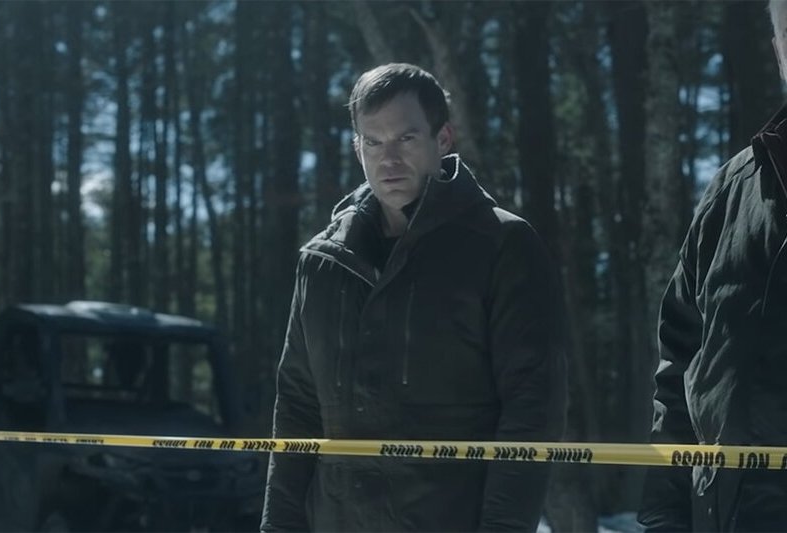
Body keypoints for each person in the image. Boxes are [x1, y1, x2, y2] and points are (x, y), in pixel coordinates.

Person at [260, 63, 566, 532]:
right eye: (373, 142)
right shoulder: (321, 262)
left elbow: (532, 407)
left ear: (442, 139)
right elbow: (297, 407)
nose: (389, 159)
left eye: (405, 138)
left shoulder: (502, 245)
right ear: (357, 147)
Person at [638, 2, 787, 530]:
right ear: (778, 50)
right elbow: (679, 365)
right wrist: (664, 516)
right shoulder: (731, 191)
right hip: (726, 513)